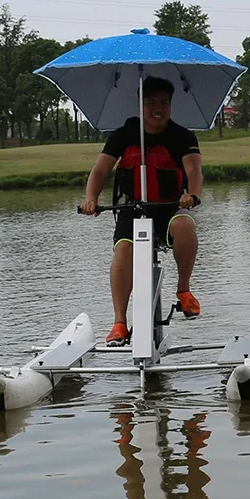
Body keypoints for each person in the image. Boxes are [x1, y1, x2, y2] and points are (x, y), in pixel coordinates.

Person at [80, 76, 204, 344]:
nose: (158, 109)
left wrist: (192, 195)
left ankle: (184, 291)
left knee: (186, 226)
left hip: (170, 208)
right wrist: (91, 199)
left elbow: (194, 169)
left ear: (171, 105)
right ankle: (120, 323)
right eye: (151, 103)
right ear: (140, 105)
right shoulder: (124, 134)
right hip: (132, 209)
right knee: (123, 251)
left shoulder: (183, 136)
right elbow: (101, 170)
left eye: (164, 103)